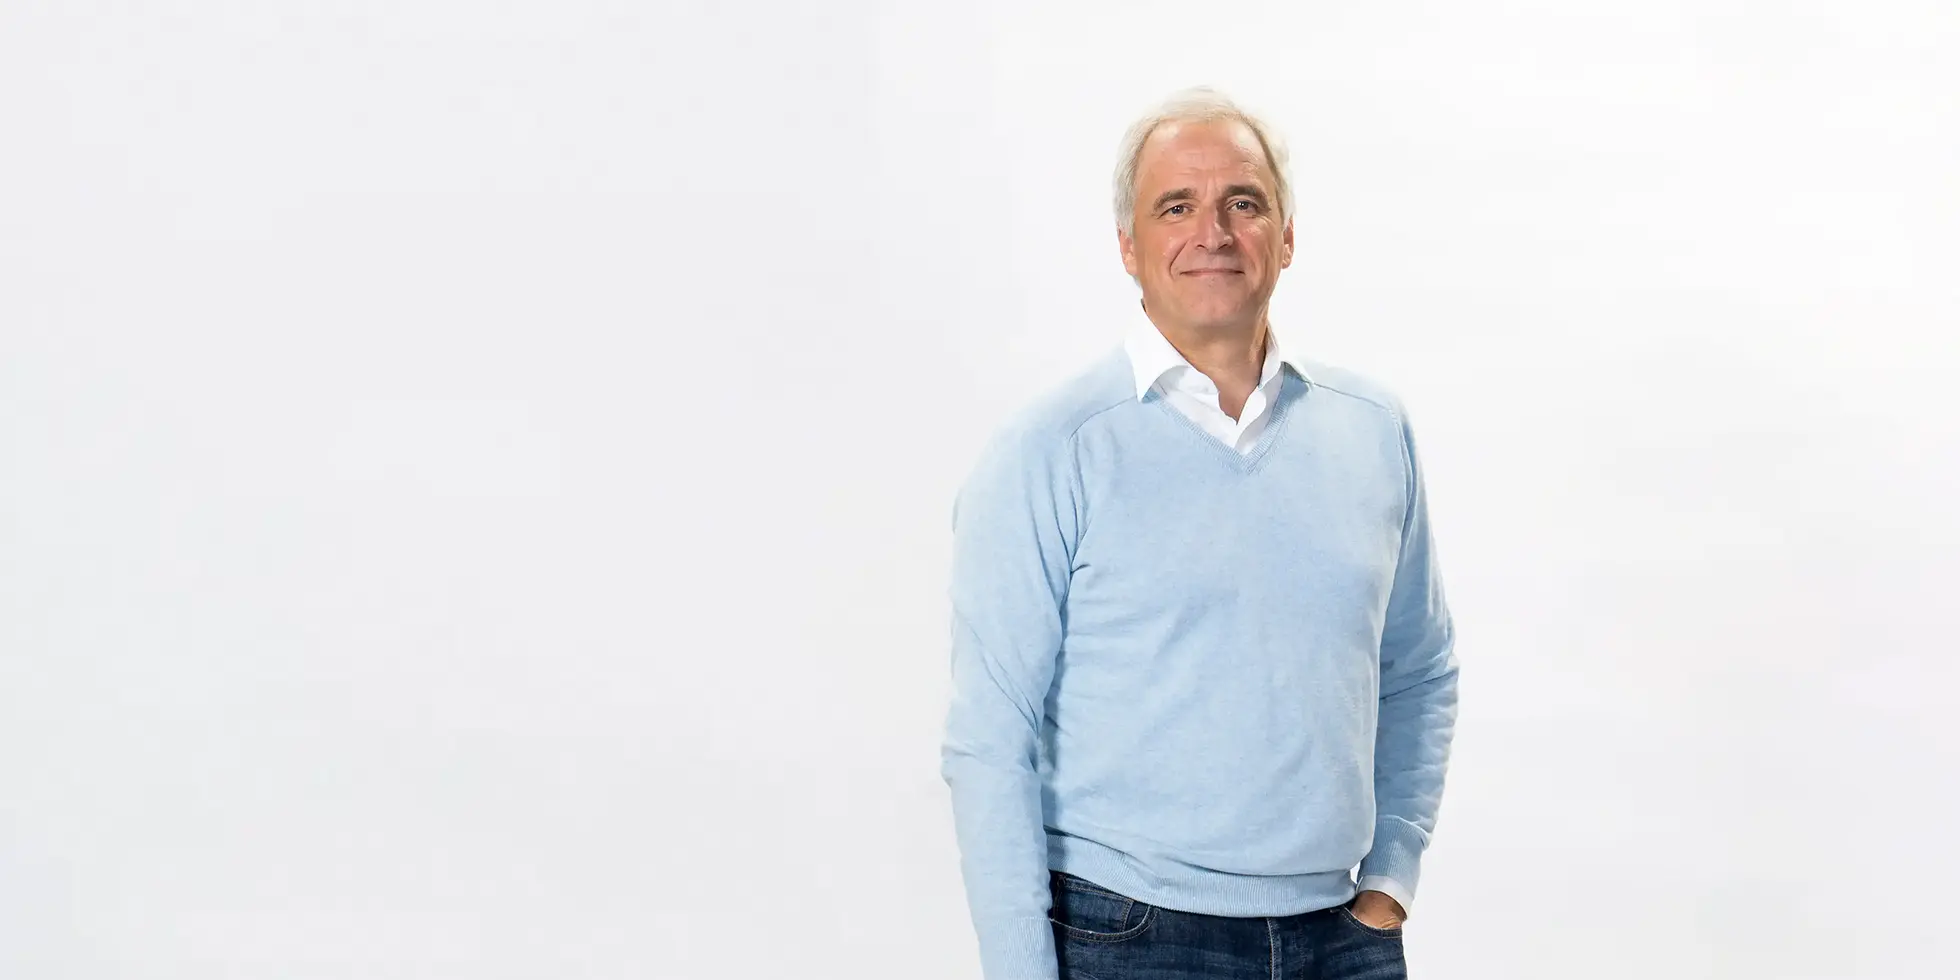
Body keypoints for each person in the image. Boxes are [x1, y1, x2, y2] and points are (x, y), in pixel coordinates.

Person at [940, 87, 1461, 980]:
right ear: (1128, 247)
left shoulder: (1372, 428)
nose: (1212, 232)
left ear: (1286, 237)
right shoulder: (1051, 449)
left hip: (1342, 937)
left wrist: (1390, 881)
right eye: (1175, 206)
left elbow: (1420, 667)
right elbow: (989, 738)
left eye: (1242, 203)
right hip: (1125, 934)